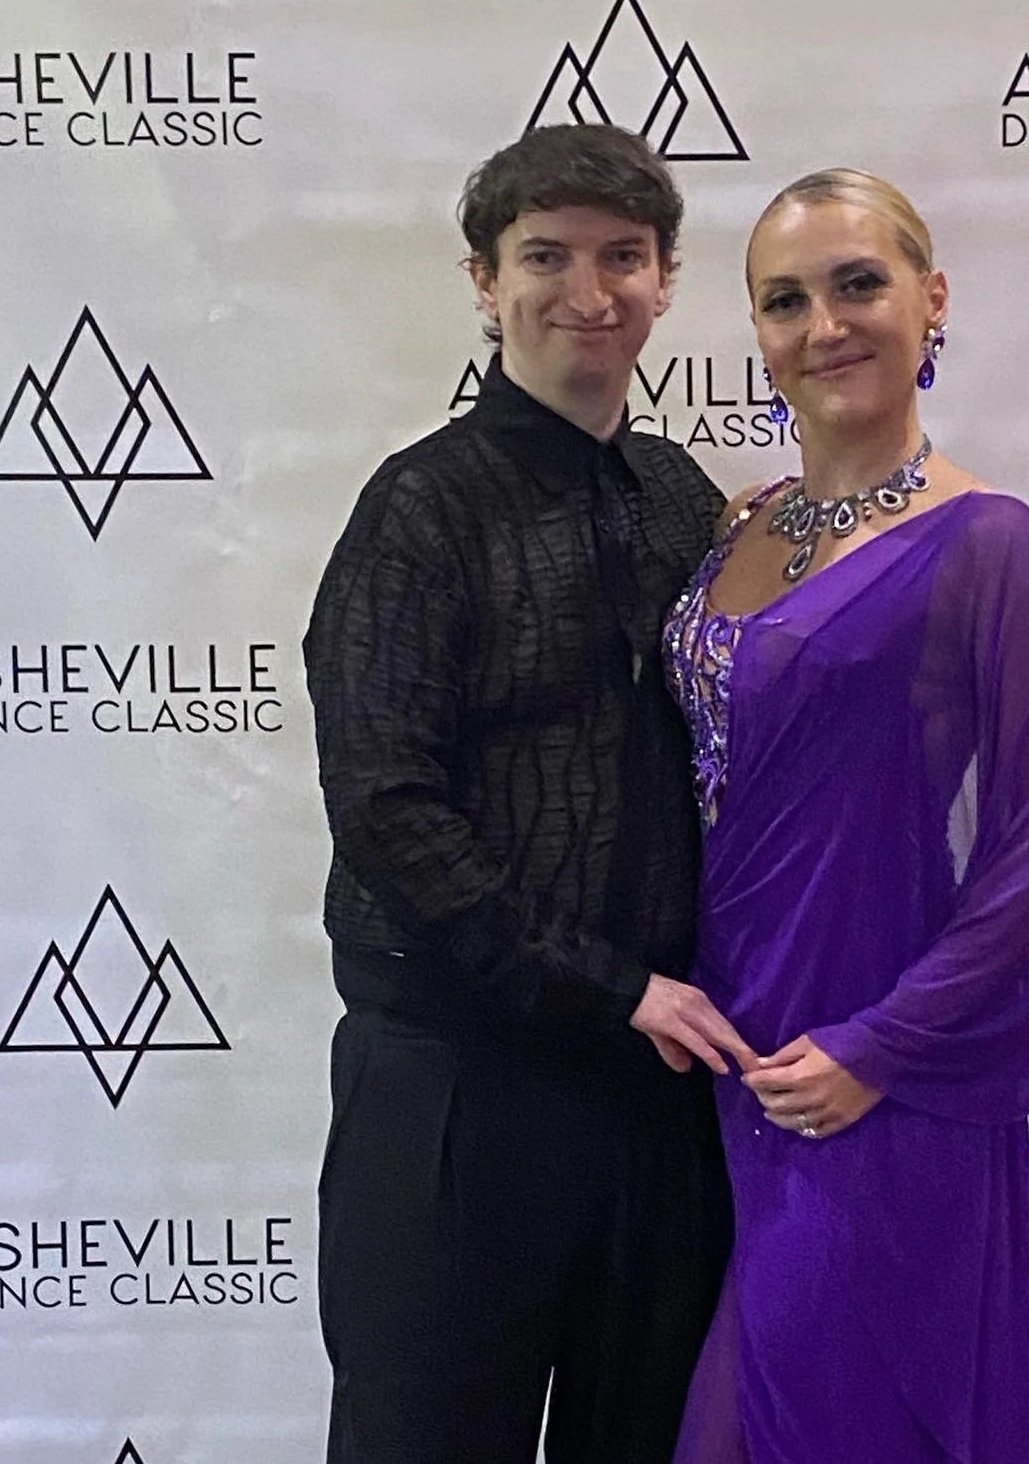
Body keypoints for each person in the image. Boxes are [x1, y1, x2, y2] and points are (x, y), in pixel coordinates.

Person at [303, 123, 754, 1464]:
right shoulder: (420, 508)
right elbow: (385, 807)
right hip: (454, 1086)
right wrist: (610, 984)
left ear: (667, 280)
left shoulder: (683, 496)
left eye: (624, 257)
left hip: (656, 1101)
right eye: (545, 256)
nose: (589, 291)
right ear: (483, 281)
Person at [663, 169, 1029, 1463]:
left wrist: (884, 1042)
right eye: (785, 299)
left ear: (933, 298)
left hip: (868, 1087)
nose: (825, 324)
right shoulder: (740, 524)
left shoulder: (987, 548)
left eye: (860, 282)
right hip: (735, 1074)